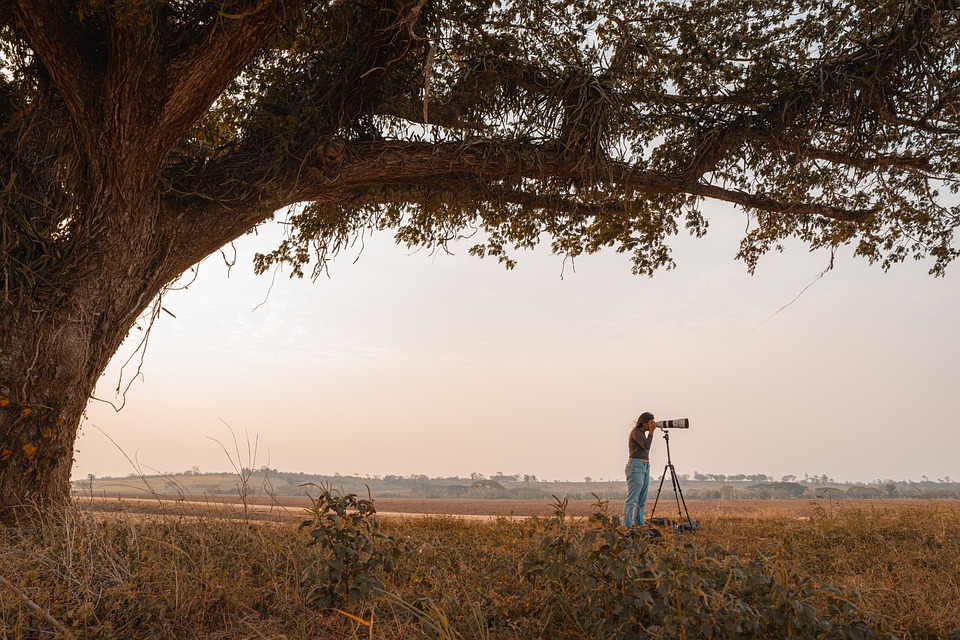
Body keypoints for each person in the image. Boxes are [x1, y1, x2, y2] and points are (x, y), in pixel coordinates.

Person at [623, 412, 656, 527]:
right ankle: (626, 526)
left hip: (645, 466)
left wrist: (650, 432)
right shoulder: (635, 432)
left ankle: (639, 526)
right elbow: (646, 445)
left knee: (641, 501)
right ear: (644, 423)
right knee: (632, 500)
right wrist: (651, 432)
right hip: (635, 466)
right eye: (651, 422)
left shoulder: (642, 433)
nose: (652, 425)